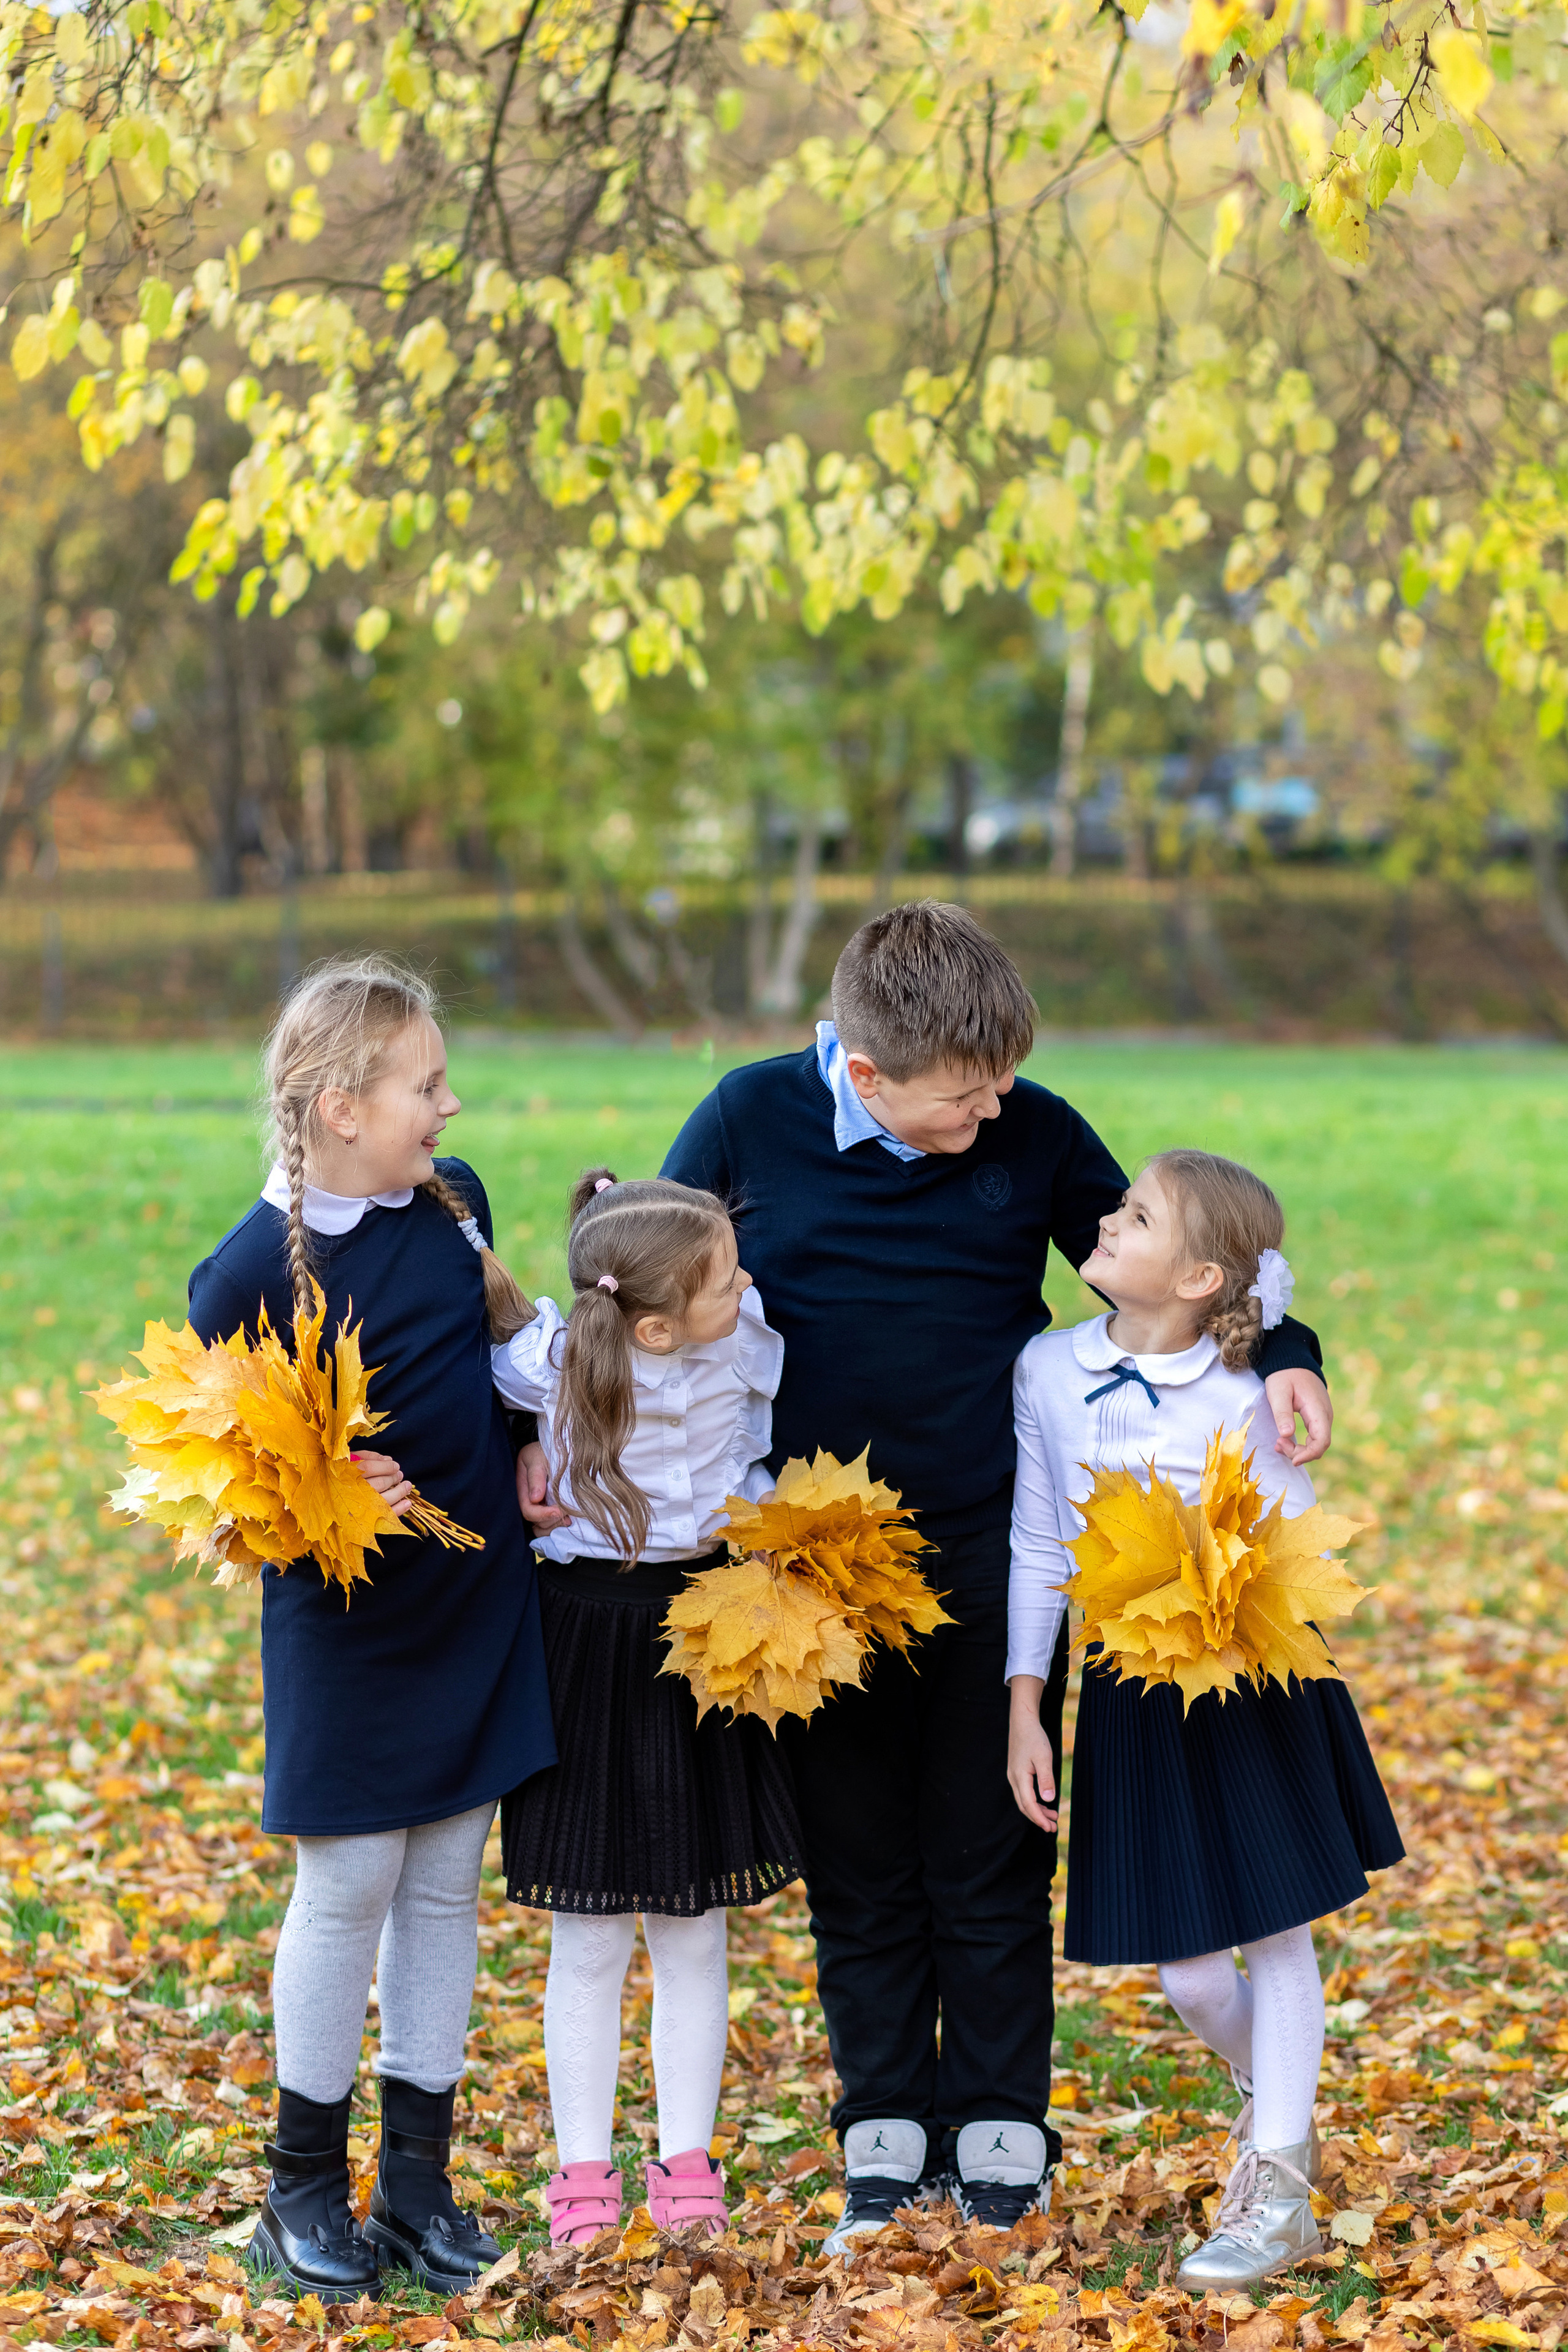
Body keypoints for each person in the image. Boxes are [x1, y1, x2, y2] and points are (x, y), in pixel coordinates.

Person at [518, 901, 1332, 2250]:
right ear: (866, 1071)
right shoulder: (744, 1119)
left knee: (990, 1844)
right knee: (858, 1856)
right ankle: (884, 2133)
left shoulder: (1035, 1130)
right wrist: (532, 1445)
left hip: (987, 1543)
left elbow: (1177, 1272)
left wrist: (1289, 1342)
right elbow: (634, 1292)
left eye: (1001, 1080)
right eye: (963, 1094)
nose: (992, 1106)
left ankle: (1002, 2126)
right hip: (803, 1565)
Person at [186, 957, 554, 2302]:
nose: (449, 1106)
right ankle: (300, 2189)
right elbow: (220, 1488)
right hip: (349, 1630)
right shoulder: (241, 1279)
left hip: (473, 1602)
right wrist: (330, 1489)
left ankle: (416, 2188)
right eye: (426, 1085)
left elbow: (496, 1363)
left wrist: (525, 1444)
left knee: (449, 1885)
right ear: (340, 1106)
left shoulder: (454, 1208)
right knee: (348, 1889)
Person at [1006, 1150, 1401, 2288]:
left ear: (1199, 1277)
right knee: (1187, 1972)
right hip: (1127, 1688)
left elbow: (1297, 1540)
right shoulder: (1045, 1370)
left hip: (1251, 1675)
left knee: (1275, 1929)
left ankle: (1277, 2186)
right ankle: (1277, 2095)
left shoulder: (1250, 1390)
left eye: (1136, 1216)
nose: (1106, 1219)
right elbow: (1040, 1544)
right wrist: (1027, 1702)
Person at [491, 1169, 802, 2246]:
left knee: (691, 1923)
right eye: (723, 1277)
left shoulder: (741, 1335)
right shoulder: (559, 1360)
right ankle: (582, 2173)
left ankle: (687, 2164)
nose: (746, 1285)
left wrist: (644, 1217)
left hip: (702, 1637)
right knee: (585, 1932)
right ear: (658, 1326)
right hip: (586, 1640)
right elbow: (499, 1357)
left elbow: (756, 1440)